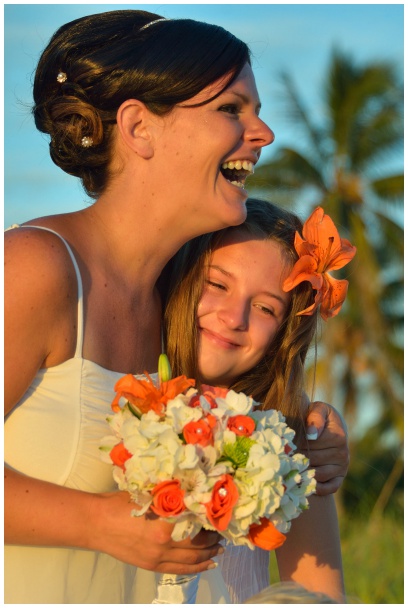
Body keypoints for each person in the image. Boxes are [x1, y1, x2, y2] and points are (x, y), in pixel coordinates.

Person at [4, 9, 346, 604]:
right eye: (231, 109)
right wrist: (95, 522)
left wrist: (307, 439)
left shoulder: (179, 312)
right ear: (139, 128)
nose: (263, 133)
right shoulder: (36, 267)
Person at [162, 198, 355, 602]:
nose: (235, 317)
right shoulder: (122, 386)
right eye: (216, 284)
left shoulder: (292, 444)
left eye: (266, 307)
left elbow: (318, 593)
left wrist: (303, 417)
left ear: (284, 333)